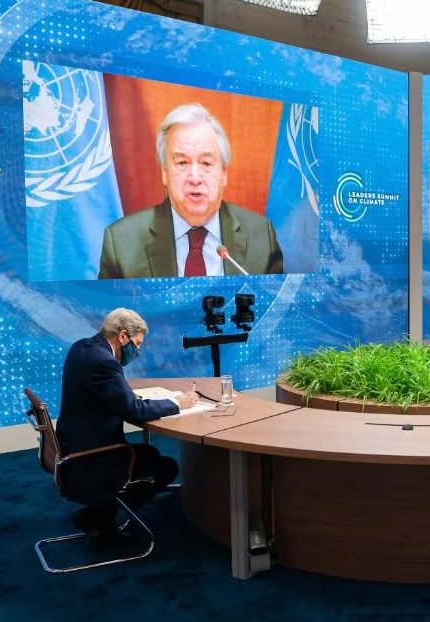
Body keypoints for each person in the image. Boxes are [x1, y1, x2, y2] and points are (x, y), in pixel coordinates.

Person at [56, 308, 199, 543]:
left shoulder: (82, 347)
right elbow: (134, 411)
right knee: (166, 467)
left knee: (150, 453)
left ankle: (96, 514)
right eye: (138, 344)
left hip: (72, 442)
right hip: (93, 455)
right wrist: (176, 403)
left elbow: (110, 396)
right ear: (122, 336)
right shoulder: (105, 362)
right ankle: (101, 519)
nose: (138, 351)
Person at [99, 103, 283, 279]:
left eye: (206, 163)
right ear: (164, 172)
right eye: (182, 163)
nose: (195, 177)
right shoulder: (122, 243)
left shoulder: (261, 237)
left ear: (224, 173)